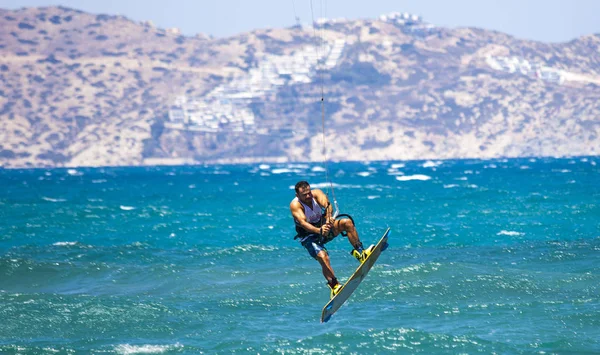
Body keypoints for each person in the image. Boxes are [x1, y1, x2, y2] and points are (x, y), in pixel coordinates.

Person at [290, 180, 374, 299]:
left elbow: (328, 206)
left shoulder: (316, 194)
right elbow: (304, 223)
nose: (308, 196)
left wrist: (329, 218)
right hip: (309, 236)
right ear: (297, 195)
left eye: (309, 192)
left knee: (347, 223)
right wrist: (319, 230)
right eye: (304, 195)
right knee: (323, 257)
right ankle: (334, 286)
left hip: (325, 228)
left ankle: (360, 252)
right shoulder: (295, 205)